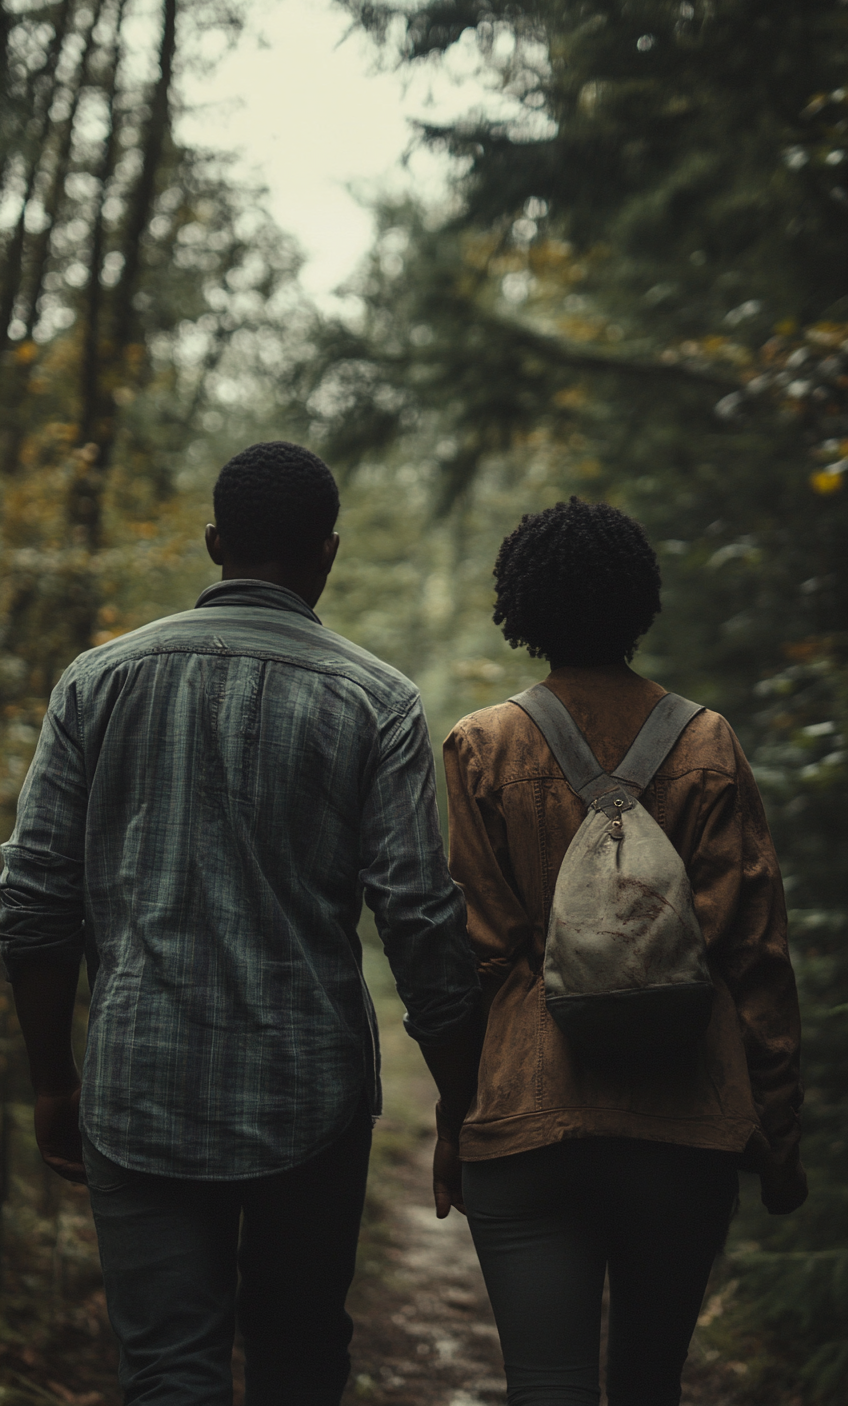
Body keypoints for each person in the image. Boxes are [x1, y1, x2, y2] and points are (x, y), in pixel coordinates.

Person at [0, 440, 480, 1406]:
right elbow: (419, 914)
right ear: (329, 554)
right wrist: (460, 1095)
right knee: (299, 1360)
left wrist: (55, 1080)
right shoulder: (377, 701)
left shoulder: (96, 682)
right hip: (310, 1095)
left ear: (216, 542)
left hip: (137, 1084)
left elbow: (34, 900)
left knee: (169, 1369)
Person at [435, 497, 807, 1406]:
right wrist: (778, 1131)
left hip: (527, 1113)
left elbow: (475, 955)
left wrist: (457, 1114)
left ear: (520, 606)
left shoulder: (483, 745)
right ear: (638, 600)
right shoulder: (708, 742)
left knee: (547, 1384)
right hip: (686, 1115)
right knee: (649, 1385)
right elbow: (754, 951)